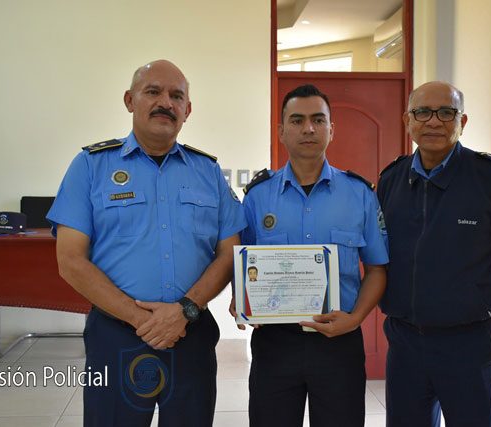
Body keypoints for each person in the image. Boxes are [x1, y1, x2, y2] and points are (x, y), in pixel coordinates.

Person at [47, 59, 246, 427]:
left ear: (188, 109)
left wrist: (184, 311)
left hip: (191, 335)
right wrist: (143, 320)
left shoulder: (207, 172)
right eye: (153, 91)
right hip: (117, 337)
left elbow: (230, 252)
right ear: (129, 100)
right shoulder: (90, 166)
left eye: (176, 96)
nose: (165, 102)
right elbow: (70, 260)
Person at [377, 81, 491, 427]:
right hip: (406, 343)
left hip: (472, 344)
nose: (434, 121)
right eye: (423, 112)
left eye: (446, 113)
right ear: (408, 121)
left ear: (462, 121)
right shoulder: (391, 180)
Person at [231, 84, 388, 427]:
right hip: (275, 343)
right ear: (281, 131)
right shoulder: (258, 197)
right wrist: (240, 299)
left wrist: (356, 318)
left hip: (339, 340)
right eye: (297, 120)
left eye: (318, 120)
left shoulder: (360, 194)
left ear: (331, 129)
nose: (308, 129)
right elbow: (242, 265)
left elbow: (377, 269)